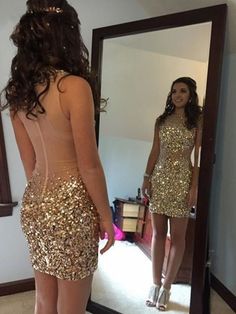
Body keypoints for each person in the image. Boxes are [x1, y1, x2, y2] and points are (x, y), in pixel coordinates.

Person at [0, 1, 114, 313]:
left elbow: (30, 165)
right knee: (72, 307)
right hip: (73, 206)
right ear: (68, 36)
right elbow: (89, 165)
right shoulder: (74, 87)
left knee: (43, 299)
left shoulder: (19, 92)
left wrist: (45, 205)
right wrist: (106, 215)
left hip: (37, 204)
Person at [142, 77, 202, 311]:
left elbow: (197, 157)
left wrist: (194, 187)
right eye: (174, 90)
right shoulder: (161, 120)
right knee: (158, 234)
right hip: (160, 179)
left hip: (182, 181)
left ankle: (167, 287)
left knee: (178, 238)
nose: (178, 94)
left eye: (183, 91)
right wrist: (146, 177)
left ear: (190, 94)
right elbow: (155, 150)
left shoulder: (197, 120)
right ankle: (155, 284)